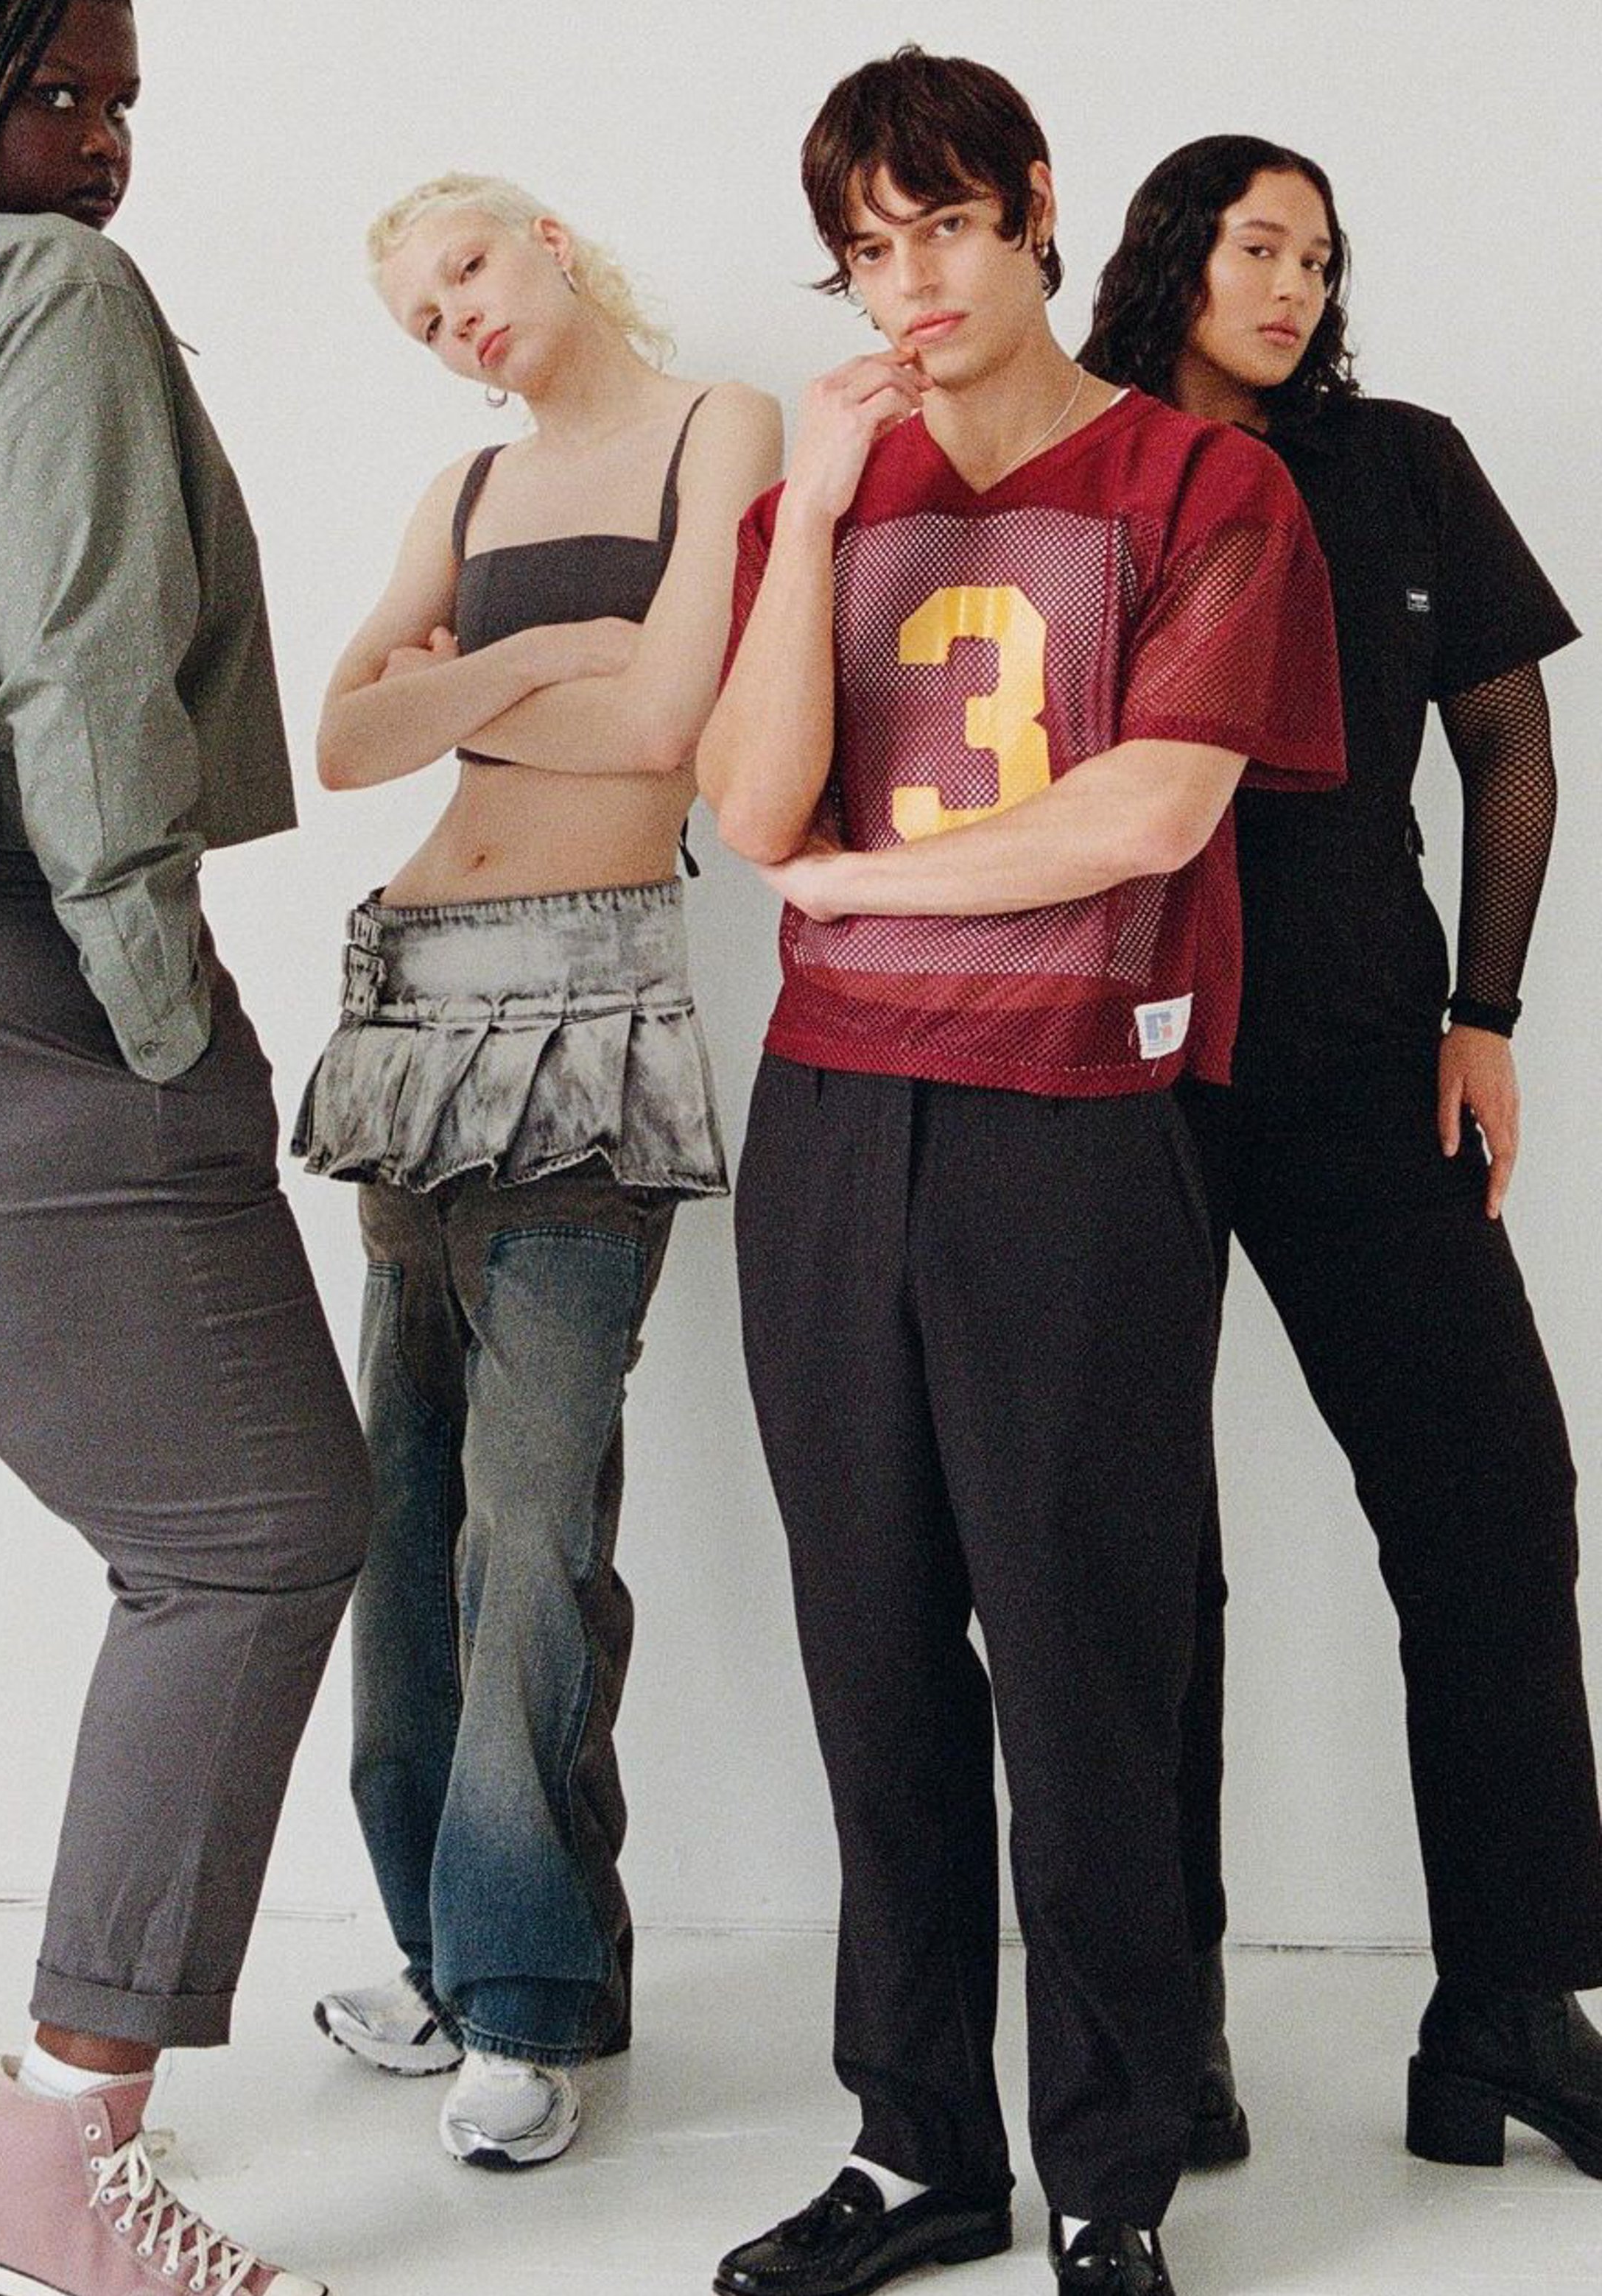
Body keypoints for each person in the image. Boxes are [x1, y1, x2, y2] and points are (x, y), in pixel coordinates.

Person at [698, 48, 1343, 2296]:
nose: (914, 280)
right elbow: (745, 810)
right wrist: (810, 504)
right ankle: (914, 2150)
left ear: (1036, 208)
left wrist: (858, 884)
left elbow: (1150, 810)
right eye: (868, 247)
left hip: (1078, 1120)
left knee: (1086, 1662)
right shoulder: (826, 498)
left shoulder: (1196, 479)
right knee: (870, 1653)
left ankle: (1109, 2171)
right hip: (829, 1123)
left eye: (948, 224)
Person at [0, 4, 370, 2290]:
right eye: (60, 93)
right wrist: (162, 1016)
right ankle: (56, 2154)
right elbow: (83, 681)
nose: (102, 145)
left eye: (123, 106)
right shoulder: (42, 287)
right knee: (258, 1529)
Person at [1083, 136, 1602, 2180]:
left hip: (1364, 1050)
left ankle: (1509, 2008)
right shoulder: (1082, 461)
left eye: (1318, 256)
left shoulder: (1398, 464)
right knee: (1143, 1554)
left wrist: (1487, 1009)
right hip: (1114, 1056)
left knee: (1494, 1494)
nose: (1293, 286)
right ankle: (1165, 2034)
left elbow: (1504, 735)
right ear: (1170, 256)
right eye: (1256, 247)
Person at [295, 172, 779, 2172]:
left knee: (529, 1518)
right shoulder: (467, 493)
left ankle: (527, 1993)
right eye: (422, 318)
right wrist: (545, 653)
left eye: (469, 272)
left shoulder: (718, 427)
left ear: (551, 244)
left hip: (589, 1003)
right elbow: (344, 742)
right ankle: (437, 1954)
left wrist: (470, 690)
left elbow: (670, 722)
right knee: (400, 1509)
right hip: (407, 1003)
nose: (458, 324)